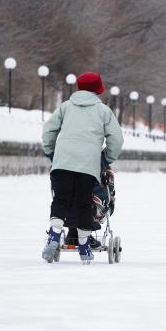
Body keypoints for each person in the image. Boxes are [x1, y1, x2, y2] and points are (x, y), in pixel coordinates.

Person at [41, 72, 124, 263]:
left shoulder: (66, 107)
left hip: (63, 162)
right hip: (88, 164)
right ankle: (85, 247)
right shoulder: (103, 111)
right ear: (98, 90)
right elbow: (116, 139)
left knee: (60, 199)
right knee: (84, 203)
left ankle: (54, 236)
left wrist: (51, 153)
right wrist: (106, 158)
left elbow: (49, 131)